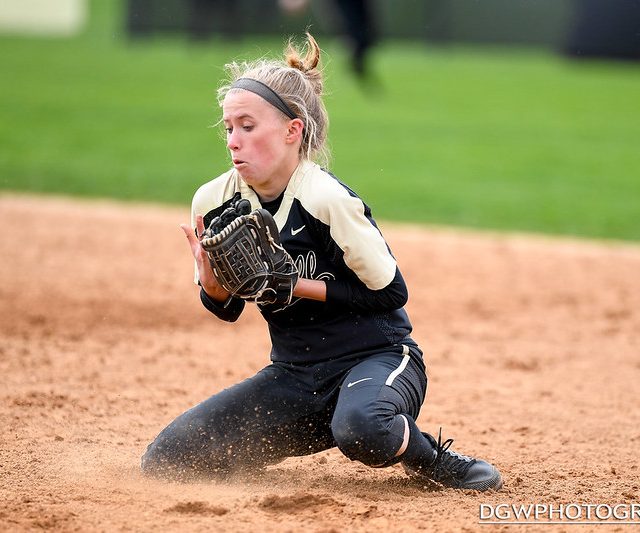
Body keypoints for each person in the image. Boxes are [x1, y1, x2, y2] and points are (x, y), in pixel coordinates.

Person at [141, 33, 502, 492]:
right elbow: (225, 308)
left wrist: (294, 285)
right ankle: (326, 424)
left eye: (248, 126)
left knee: (363, 429)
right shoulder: (215, 200)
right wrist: (212, 283)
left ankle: (435, 460)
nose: (234, 140)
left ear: (293, 130)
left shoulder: (327, 199)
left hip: (379, 358)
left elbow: (392, 293)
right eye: (228, 127)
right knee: (169, 458)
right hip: (295, 379)